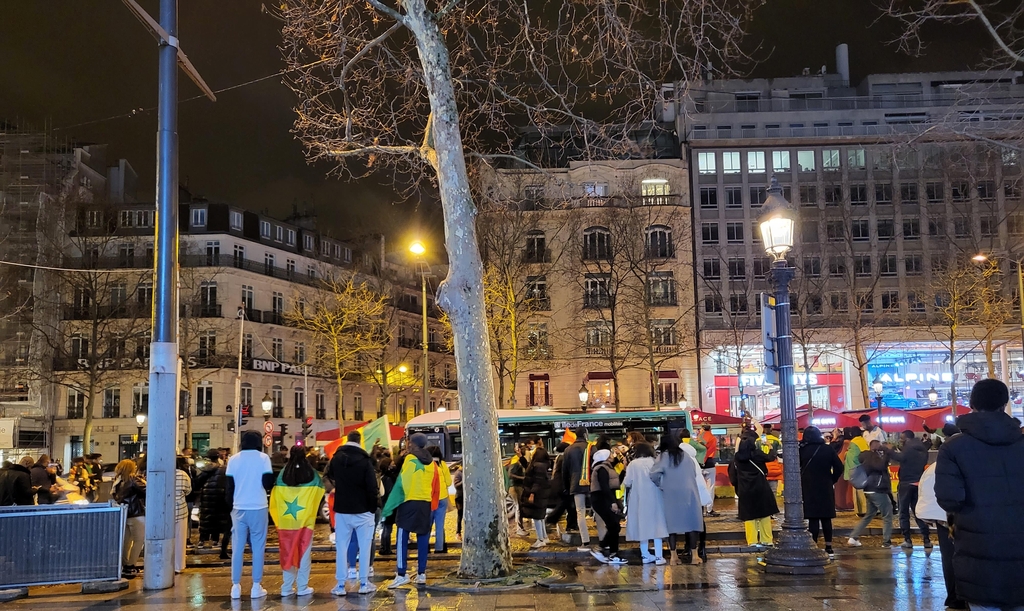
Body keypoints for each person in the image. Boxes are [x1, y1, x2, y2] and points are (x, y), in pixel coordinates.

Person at [935, 379, 1024, 611]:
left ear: (972, 404)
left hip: (978, 550)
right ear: (1004, 404)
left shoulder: (953, 448)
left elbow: (948, 498)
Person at [383, 433, 442, 588]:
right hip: (425, 503)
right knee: (423, 538)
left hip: (409, 502)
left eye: (408, 441)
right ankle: (421, 573)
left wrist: (392, 503)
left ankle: (401, 574)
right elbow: (435, 484)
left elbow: (403, 482)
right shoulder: (432, 462)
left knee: (402, 537)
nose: (407, 444)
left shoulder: (410, 459)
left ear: (412, 443)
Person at [326, 430, 378, 596]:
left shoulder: (336, 458)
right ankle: (364, 583)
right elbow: (372, 487)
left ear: (347, 440)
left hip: (342, 509)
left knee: (341, 546)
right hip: (363, 510)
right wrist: (372, 507)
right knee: (365, 546)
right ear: (359, 441)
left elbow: (330, 475)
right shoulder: (365, 461)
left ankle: (340, 585)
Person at [226, 430, 275, 600]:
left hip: (238, 507)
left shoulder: (233, 459)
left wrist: (230, 508)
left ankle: (235, 586)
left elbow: (229, 487)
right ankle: (256, 586)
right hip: (259, 506)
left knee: (237, 548)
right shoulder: (263, 459)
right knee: (258, 547)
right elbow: (268, 483)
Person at [271, 446, 325, 598]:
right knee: (304, 553)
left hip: (287, 521)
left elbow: (277, 494)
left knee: (288, 551)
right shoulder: (312, 474)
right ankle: (302, 587)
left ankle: (286, 587)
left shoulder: (283, 474)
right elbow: (319, 491)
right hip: (305, 520)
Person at [650, 434, 708, 564]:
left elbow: (653, 474)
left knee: (671, 525)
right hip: (689, 492)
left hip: (671, 493)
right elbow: (693, 472)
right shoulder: (686, 456)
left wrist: (661, 484)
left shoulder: (663, 457)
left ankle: (674, 557)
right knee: (692, 523)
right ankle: (694, 556)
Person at [917, 458, 965, 610]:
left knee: (949, 556)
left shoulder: (935, 466)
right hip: (961, 517)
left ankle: (954, 597)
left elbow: (925, 491)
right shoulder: (967, 463)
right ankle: (961, 597)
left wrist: (927, 515)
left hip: (943, 519)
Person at [798, 426, 844, 556]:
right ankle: (829, 546)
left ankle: (814, 544)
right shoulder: (827, 449)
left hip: (808, 486)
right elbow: (839, 467)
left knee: (813, 518)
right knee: (826, 517)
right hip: (825, 485)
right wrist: (832, 479)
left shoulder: (802, 450)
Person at [729, 429, 778, 548]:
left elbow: (733, 475)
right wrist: (770, 447)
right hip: (760, 487)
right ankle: (766, 539)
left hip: (745, 489)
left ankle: (752, 541)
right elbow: (771, 457)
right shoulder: (757, 454)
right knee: (764, 513)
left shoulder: (737, 457)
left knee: (749, 515)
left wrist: (737, 486)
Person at [623, 442, 668, 564]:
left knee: (642, 525)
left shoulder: (633, 464)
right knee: (657, 525)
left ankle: (645, 556)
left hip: (638, 498)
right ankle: (659, 556)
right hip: (655, 496)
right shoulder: (654, 462)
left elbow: (627, 482)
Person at [846, 439, 894, 548]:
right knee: (887, 515)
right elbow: (881, 466)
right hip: (877, 489)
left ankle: (853, 537)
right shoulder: (873, 457)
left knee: (869, 515)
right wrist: (887, 452)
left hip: (868, 489)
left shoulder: (866, 456)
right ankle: (886, 542)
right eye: (880, 445)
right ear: (875, 446)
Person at [889, 429, 931, 549]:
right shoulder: (922, 448)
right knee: (919, 512)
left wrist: (889, 449)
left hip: (906, 483)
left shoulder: (908, 447)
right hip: (918, 482)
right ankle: (926, 538)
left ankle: (907, 539)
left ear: (907, 438)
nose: (901, 441)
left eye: (902, 439)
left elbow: (900, 457)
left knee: (904, 512)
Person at [588, 449, 625, 564]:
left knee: (614, 526)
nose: (612, 456)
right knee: (613, 525)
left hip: (606, 498)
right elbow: (604, 486)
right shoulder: (602, 469)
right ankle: (603, 549)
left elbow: (616, 482)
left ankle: (612, 553)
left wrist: (623, 470)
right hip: (602, 499)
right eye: (610, 455)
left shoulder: (607, 467)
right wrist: (612, 503)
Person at [112, 459, 146, 579]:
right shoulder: (134, 480)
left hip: (124, 514)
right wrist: (144, 481)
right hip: (136, 513)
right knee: (139, 540)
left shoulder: (117, 480)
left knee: (126, 541)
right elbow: (146, 491)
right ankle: (130, 565)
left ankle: (124, 564)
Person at [196, 449, 231, 558]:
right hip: (220, 497)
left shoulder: (205, 469)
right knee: (219, 519)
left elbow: (197, 482)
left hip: (207, 497)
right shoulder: (224, 469)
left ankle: (202, 539)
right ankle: (215, 540)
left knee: (206, 518)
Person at [562, 429, 592, 552]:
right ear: (586, 434)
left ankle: (585, 541)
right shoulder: (591, 448)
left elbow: (565, 471)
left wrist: (566, 487)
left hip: (575, 485)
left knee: (580, 512)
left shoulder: (568, 449)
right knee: (597, 512)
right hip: (592, 484)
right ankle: (603, 540)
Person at [520, 446, 552, 548]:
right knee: (540, 516)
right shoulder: (542, 465)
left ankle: (540, 539)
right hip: (542, 493)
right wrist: (521, 457)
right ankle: (544, 537)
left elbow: (537, 480)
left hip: (537, 494)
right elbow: (529, 469)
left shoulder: (538, 466)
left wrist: (532, 493)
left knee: (537, 517)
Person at [544, 442, 576, 538]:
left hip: (559, 484)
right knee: (566, 504)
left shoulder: (559, 457)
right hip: (563, 484)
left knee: (569, 505)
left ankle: (571, 524)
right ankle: (551, 519)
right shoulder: (564, 458)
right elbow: (566, 473)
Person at [427, 445, 454, 553]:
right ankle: (439, 548)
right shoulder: (443, 465)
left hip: (429, 498)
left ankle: (426, 546)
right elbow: (449, 482)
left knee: (427, 524)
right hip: (442, 498)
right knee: (440, 524)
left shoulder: (426, 465)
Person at [843, 426, 870, 515]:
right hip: (862, 468)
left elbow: (854, 456)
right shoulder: (862, 441)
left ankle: (861, 510)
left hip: (856, 470)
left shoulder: (854, 442)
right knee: (862, 490)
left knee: (858, 491)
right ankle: (864, 510)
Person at [174, 456, 193, 573]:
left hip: (163, 509)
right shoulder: (182, 474)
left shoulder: (160, 472)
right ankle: (178, 565)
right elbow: (188, 490)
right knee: (180, 538)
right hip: (180, 508)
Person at [378, 457, 397, 555]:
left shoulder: (382, 477)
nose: (394, 465)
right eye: (392, 463)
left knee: (385, 527)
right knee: (387, 528)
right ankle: (385, 548)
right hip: (388, 506)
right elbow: (389, 493)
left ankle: (385, 547)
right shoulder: (388, 479)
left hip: (384, 506)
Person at [699, 424, 719, 516]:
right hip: (710, 464)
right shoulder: (713, 438)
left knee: (700, 487)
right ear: (710, 429)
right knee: (710, 487)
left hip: (699, 464)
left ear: (703, 429)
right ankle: (709, 509)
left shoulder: (699, 437)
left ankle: (701, 509)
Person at [508, 445, 527, 536]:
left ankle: (520, 527)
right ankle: (519, 529)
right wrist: (522, 478)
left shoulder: (519, 460)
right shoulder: (516, 460)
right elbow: (510, 474)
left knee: (519, 507)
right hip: (515, 487)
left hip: (518, 486)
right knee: (518, 507)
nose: (525, 450)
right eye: (523, 448)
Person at [451, 463, 464, 539]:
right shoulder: (458, 473)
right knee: (460, 515)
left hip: (466, 497)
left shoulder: (466, 472)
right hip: (460, 497)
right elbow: (456, 486)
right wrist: (464, 481)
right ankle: (458, 532)